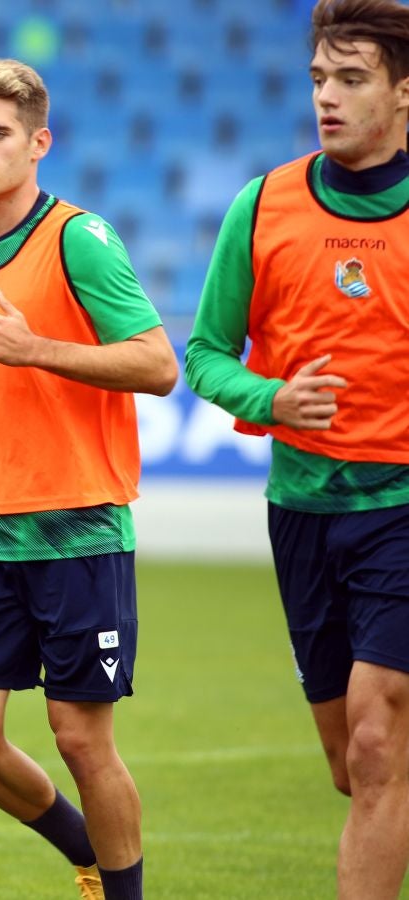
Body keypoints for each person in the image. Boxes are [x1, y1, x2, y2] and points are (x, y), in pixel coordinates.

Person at [0, 59, 177, 899]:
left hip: (78, 529)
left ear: (39, 142)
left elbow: (157, 364)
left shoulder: (79, 238)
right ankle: (83, 848)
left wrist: (35, 351)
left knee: (81, 739)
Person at [185, 2, 409, 896]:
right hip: (302, 510)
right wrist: (271, 397)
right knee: (349, 768)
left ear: (402, 92)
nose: (327, 97)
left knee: (377, 737)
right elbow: (202, 354)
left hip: (399, 502)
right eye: (320, 78)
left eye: (352, 79)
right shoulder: (265, 202)